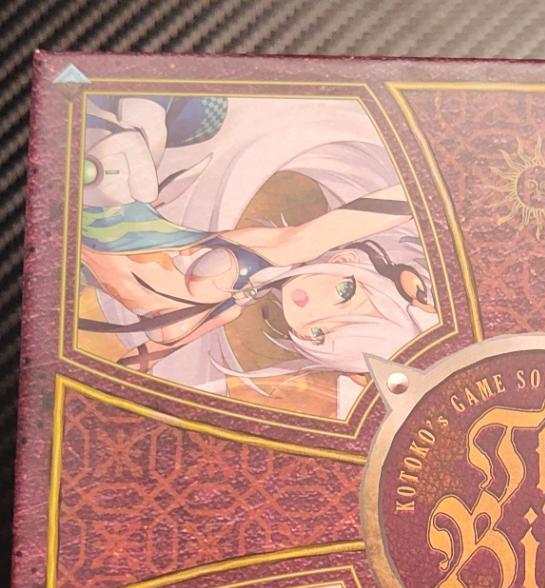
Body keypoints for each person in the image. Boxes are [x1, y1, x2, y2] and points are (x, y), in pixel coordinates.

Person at [77, 95, 435, 415]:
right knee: (189, 113)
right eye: (345, 292)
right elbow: (399, 203)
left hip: (77, 261)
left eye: (318, 334)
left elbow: (138, 361)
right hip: (106, 201)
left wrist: (99, 399)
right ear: (348, 264)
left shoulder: (225, 309)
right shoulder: (276, 252)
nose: (309, 307)